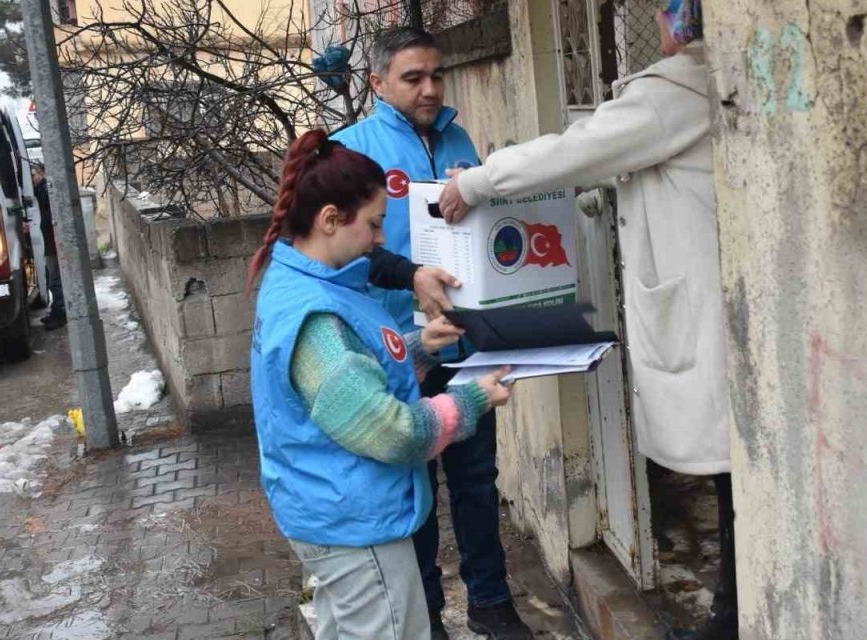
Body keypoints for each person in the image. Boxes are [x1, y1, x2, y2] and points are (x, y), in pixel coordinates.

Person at [440, 1, 737, 638]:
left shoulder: (676, 88)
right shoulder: (702, 85)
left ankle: (732, 614)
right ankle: (729, 609)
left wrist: (482, 182)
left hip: (707, 309)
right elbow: (637, 173)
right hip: (714, 297)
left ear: (676, 21)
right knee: (728, 470)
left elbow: (579, 148)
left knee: (731, 468)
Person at [248, 130, 513, 640]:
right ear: (330, 220)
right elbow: (394, 433)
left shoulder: (298, 282)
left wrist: (418, 346)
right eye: (373, 223)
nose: (380, 240)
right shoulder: (316, 318)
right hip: (356, 524)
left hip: (327, 506)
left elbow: (344, 380)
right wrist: (471, 398)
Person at [332, 27, 535, 640]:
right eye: (412, 78)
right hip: (401, 351)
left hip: (469, 341)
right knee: (415, 489)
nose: (428, 88)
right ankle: (427, 617)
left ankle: (492, 604)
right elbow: (339, 254)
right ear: (377, 83)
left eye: (435, 76)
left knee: (477, 482)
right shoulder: (350, 151)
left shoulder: (458, 137)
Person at [30, 162, 66, 331]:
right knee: (53, 278)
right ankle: (56, 310)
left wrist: (31, 225)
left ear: (42, 174)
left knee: (55, 280)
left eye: (34, 175)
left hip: (52, 241)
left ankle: (60, 314)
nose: (32, 179)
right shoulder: (38, 192)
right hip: (49, 242)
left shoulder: (45, 192)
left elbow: (48, 217)